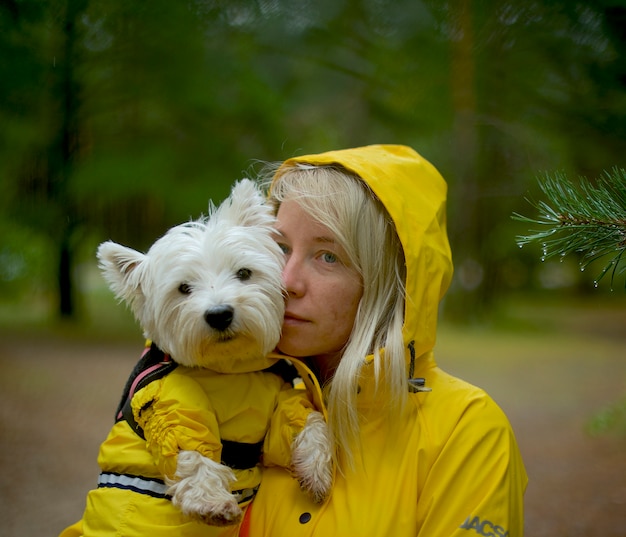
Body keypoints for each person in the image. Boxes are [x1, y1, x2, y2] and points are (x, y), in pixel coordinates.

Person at [239, 144, 527, 536]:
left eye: (327, 257)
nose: (286, 281)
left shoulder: (464, 430)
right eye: (281, 247)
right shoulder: (234, 399)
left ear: (389, 282)